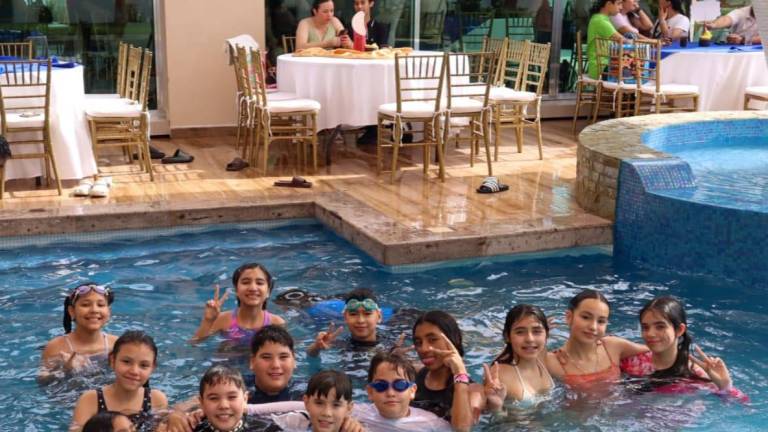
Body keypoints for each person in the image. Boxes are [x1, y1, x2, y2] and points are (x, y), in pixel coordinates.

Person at [166, 326, 302, 431]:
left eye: (283, 357)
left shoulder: (305, 392)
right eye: (266, 357)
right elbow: (186, 405)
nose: (275, 365)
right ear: (252, 362)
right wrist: (175, 415)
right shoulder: (235, 385)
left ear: (294, 361)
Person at [621, 296, 747, 400]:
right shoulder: (631, 362)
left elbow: (743, 403)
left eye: (660, 327)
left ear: (679, 330)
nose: (650, 334)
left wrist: (725, 385)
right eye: (645, 327)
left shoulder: (694, 373)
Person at [544, 289, 647, 392]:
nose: (593, 327)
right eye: (586, 317)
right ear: (569, 317)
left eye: (601, 321)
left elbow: (655, 348)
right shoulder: (551, 362)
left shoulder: (612, 346)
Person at [71, 331, 168, 432]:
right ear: (112, 360)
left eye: (143, 365)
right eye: (126, 362)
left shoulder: (156, 399)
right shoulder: (90, 400)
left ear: (152, 368)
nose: (134, 371)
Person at [411, 311, 480, 432]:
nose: (423, 349)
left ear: (453, 340)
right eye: (418, 342)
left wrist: (460, 373)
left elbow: (462, 429)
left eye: (432, 340)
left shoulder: (474, 390)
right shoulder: (413, 375)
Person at [40, 282, 118, 380]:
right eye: (85, 305)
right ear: (72, 311)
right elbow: (43, 382)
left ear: (109, 311)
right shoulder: (56, 347)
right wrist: (66, 370)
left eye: (100, 305)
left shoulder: (116, 344)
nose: (94, 310)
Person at [483, 305, 555, 411]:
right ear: (507, 337)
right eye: (520, 332)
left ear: (547, 335)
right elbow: (496, 423)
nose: (530, 339)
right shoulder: (500, 376)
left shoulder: (541, 356)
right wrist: (495, 407)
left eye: (536, 331)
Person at [192, 263, 285, 343]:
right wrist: (208, 320)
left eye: (259, 283)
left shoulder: (276, 323)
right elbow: (195, 343)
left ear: (268, 291)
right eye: (246, 282)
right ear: (236, 290)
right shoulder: (223, 320)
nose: (253, 288)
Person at [268, 370, 364, 432]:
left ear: (349, 408)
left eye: (336, 405)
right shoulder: (294, 421)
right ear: (306, 402)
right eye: (319, 403)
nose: (327, 413)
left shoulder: (355, 429)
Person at [307, 288, 385, 356]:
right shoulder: (340, 344)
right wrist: (316, 347)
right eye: (353, 314)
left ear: (379, 316)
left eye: (367, 314)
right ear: (345, 317)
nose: (360, 320)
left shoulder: (391, 345)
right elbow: (311, 354)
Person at [587, 0, 627, 80]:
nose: (621, 7)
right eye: (618, 3)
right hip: (601, 68)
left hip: (604, 65)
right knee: (632, 70)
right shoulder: (600, 20)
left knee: (631, 68)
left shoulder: (601, 18)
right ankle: (628, 92)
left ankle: (627, 92)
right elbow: (623, 40)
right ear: (608, 3)